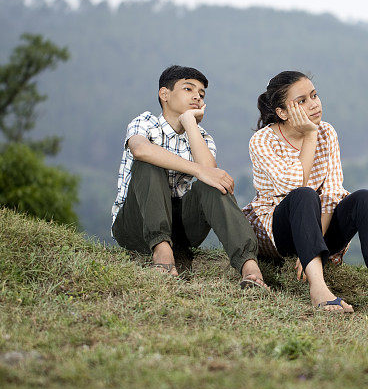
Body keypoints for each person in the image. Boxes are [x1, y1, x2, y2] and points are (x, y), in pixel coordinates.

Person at [242, 71, 368, 321]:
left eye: (314, 95)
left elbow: (333, 193)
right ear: (282, 112)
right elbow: (293, 185)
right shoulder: (262, 140)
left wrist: (315, 245)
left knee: (366, 199)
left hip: (317, 229)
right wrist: (310, 134)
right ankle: (319, 289)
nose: (313, 104)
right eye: (301, 101)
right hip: (279, 231)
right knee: (304, 195)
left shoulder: (328, 132)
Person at [111, 65, 268, 289]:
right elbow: (140, 150)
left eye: (201, 94)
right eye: (188, 89)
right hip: (136, 223)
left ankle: (250, 268)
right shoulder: (145, 122)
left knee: (212, 184)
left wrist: (190, 124)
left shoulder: (202, 137)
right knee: (149, 164)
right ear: (164, 94)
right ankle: (162, 256)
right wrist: (198, 170)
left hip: (182, 230)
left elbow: (211, 175)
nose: (196, 96)